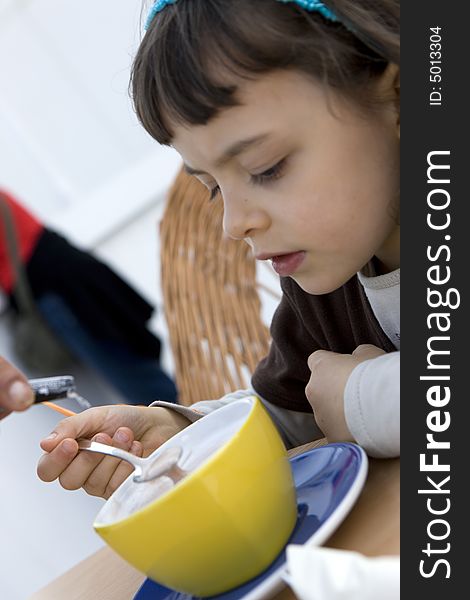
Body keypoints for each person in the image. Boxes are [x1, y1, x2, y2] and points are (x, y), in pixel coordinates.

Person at [37, 0, 400, 499]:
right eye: (212, 186)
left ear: (400, 95)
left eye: (265, 167)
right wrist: (183, 436)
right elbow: (296, 413)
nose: (234, 222)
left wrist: (364, 401)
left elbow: (340, 402)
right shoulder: (321, 286)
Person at [0, 189, 177, 405]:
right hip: (64, 276)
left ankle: (195, 423)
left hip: (58, 288)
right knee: (137, 371)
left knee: (138, 379)